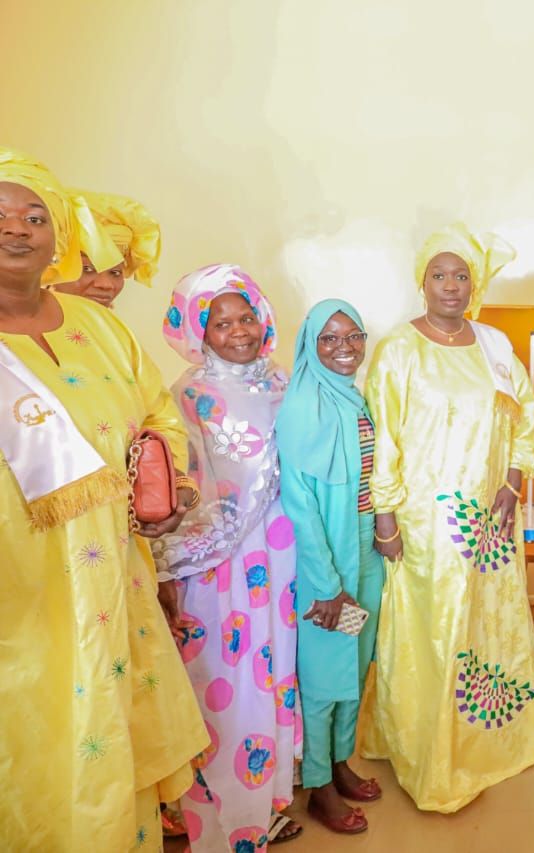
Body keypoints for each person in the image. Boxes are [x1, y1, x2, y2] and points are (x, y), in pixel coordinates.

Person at [0, 149, 205, 850]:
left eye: (35, 215)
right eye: (0, 215)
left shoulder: (108, 330)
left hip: (117, 582)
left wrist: (168, 488)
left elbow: (159, 420)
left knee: (114, 740)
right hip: (22, 602)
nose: (17, 229)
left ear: (59, 237)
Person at [361, 222, 534, 812]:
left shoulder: (495, 346)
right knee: (431, 630)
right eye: (439, 275)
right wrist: (386, 520)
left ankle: (488, 741)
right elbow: (385, 440)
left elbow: (525, 419)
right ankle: (430, 753)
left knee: (485, 623)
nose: (451, 286)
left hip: (489, 520)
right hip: (425, 523)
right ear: (421, 283)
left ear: (474, 285)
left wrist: (513, 482)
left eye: (461, 276)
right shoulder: (398, 349)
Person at [153, 265, 302, 849]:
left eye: (246, 318)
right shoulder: (191, 394)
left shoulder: (282, 382)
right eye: (221, 322)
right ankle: (220, 823)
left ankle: (262, 806)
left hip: (281, 557)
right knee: (225, 684)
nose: (238, 331)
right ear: (199, 330)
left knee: (272, 679)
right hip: (219, 565)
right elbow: (184, 483)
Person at [277, 300, 384, 835]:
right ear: (310, 346)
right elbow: (299, 504)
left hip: (365, 551)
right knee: (322, 678)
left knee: (355, 662)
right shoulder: (302, 405)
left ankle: (341, 763)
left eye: (353, 336)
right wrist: (326, 585)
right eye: (329, 338)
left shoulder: (354, 398)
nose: (344, 348)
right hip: (328, 563)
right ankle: (318, 783)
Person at [53, 190, 161, 309]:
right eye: (87, 269)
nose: (106, 285)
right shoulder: (31, 325)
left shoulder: (110, 327)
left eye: (115, 272)